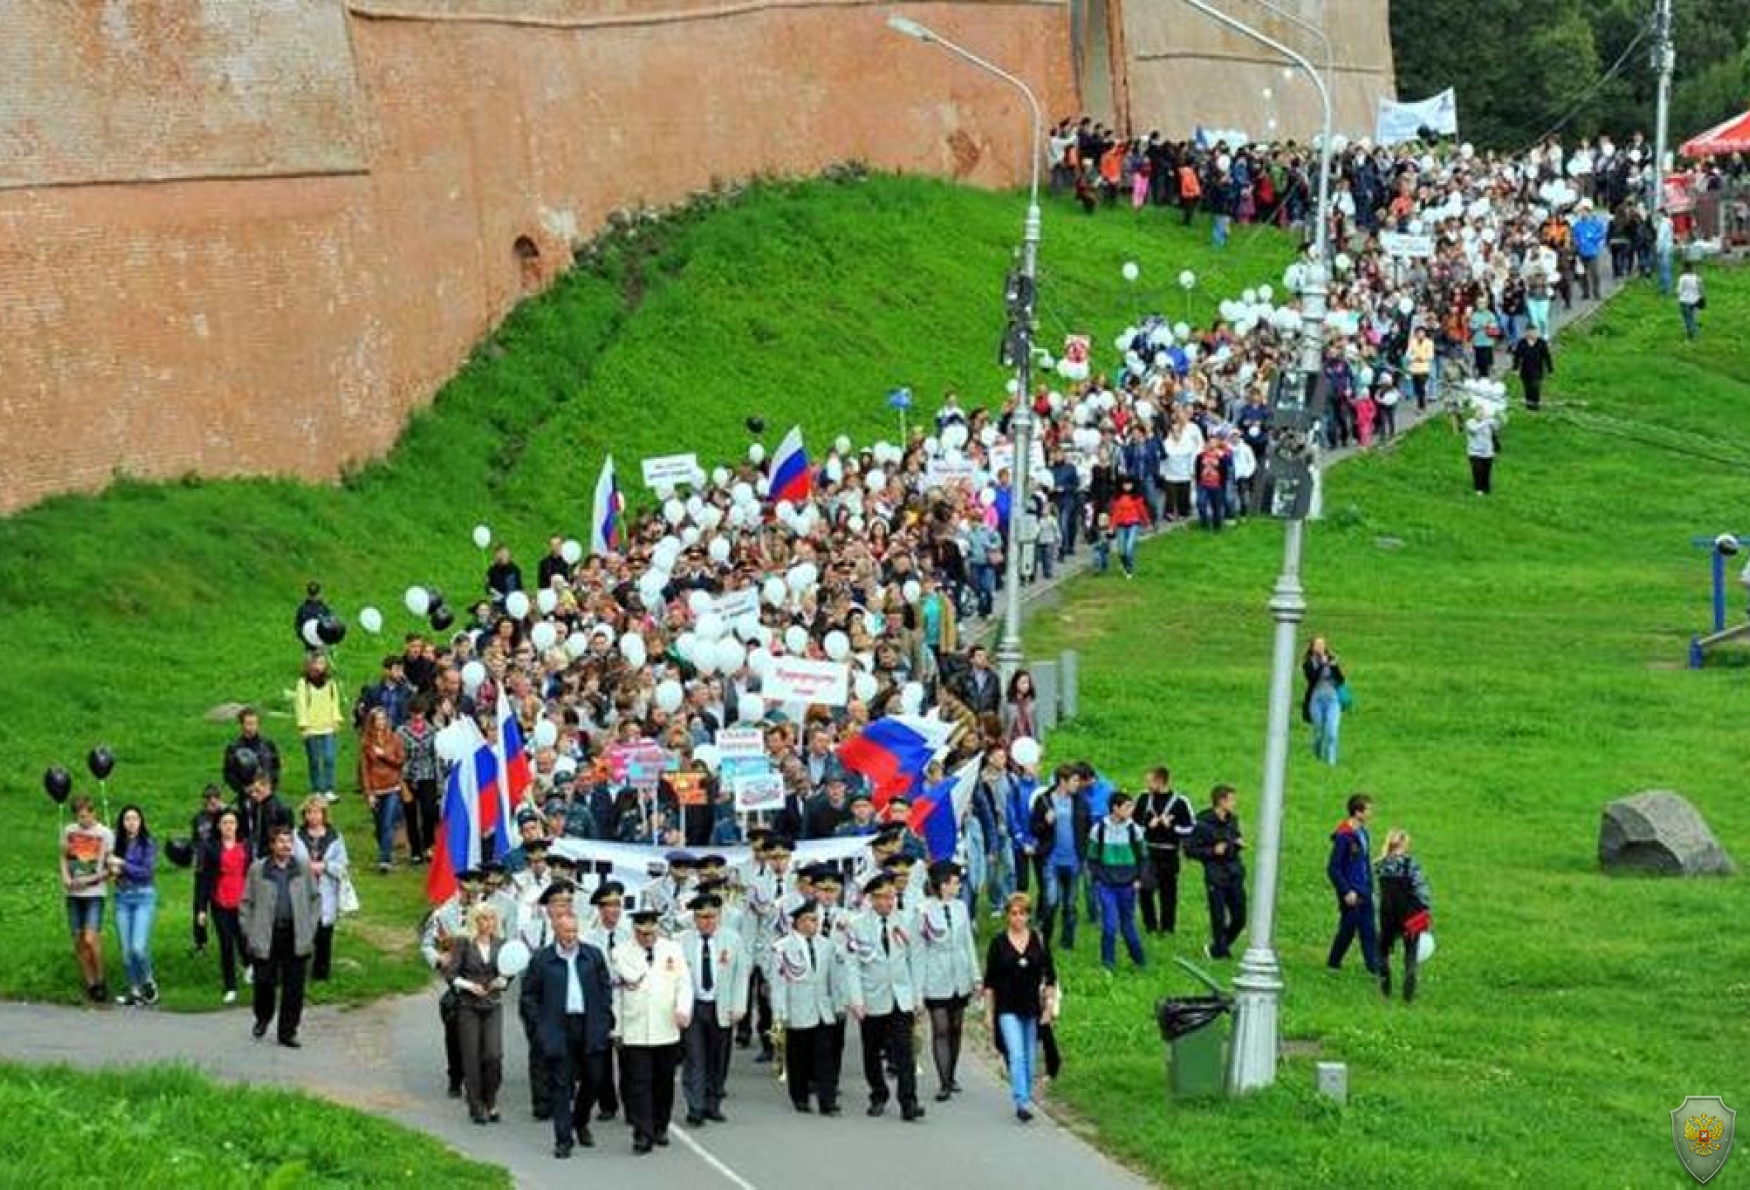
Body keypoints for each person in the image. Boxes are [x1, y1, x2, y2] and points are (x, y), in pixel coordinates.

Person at [520, 907, 614, 1159]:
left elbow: (605, 989)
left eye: (574, 931)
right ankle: (563, 1139)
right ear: (556, 931)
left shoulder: (592, 956)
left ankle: (580, 1121)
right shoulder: (542, 959)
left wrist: (604, 1020)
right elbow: (528, 996)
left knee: (594, 1079)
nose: (570, 935)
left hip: (590, 1025)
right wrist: (540, 1027)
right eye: (566, 931)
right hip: (558, 1027)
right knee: (561, 1084)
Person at [845, 872, 925, 1122]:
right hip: (871, 997)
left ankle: (908, 1102)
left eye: (890, 896)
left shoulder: (906, 920)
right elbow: (852, 965)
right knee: (872, 1050)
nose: (886, 903)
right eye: (880, 897)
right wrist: (856, 999)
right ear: (870, 899)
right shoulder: (857, 925)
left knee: (904, 1051)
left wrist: (917, 995)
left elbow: (916, 959)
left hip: (900, 996)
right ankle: (878, 1094)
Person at [612, 908, 693, 1154]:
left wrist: (682, 1010)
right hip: (635, 1028)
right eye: (642, 933)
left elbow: (684, 984)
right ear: (634, 931)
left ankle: (660, 1125)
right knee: (639, 1083)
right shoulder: (620, 952)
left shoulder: (673, 950)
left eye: (651, 932)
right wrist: (616, 1028)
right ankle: (642, 1132)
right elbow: (616, 993)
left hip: (666, 1027)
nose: (647, 937)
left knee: (663, 1083)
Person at [240, 824, 321, 1047]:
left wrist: (309, 927)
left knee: (294, 987)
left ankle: (288, 1032)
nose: (286, 846)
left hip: (296, 935)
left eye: (289, 842)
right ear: (272, 845)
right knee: (264, 983)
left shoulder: (302, 868)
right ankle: (263, 1016)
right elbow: (246, 903)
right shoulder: (258, 869)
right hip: (266, 935)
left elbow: (315, 899)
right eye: (281, 842)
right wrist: (249, 931)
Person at [982, 892, 1057, 1122]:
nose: (1018, 918)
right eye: (1013, 914)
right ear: (1007, 916)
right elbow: (990, 982)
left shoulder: (1038, 940)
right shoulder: (998, 943)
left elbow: (1050, 977)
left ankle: (1027, 1092)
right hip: (1007, 1006)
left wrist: (1049, 1007)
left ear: (1028, 916)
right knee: (1015, 1054)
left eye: (1022, 914)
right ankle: (1022, 1101)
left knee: (1030, 1055)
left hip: (1032, 1006)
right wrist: (988, 1012)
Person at [675, 892, 748, 1127]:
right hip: (694, 1006)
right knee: (695, 1058)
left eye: (712, 916)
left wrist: (739, 1005)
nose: (708, 922)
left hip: (721, 1005)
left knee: (718, 1057)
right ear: (694, 918)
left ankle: (713, 1102)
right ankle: (695, 1106)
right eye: (702, 917)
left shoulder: (732, 940)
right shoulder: (681, 941)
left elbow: (741, 975)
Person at [771, 899, 844, 1115]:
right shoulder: (783, 948)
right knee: (799, 1056)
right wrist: (780, 1014)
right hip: (798, 1009)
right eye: (809, 920)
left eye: (816, 920)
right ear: (798, 923)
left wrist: (838, 1004)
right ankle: (800, 1096)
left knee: (825, 1056)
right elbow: (779, 984)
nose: (814, 924)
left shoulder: (827, 945)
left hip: (823, 1009)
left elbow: (834, 978)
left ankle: (827, 1100)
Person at [918, 860, 978, 1101]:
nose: (958, 886)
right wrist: (919, 987)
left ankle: (952, 1074)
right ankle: (943, 1081)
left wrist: (975, 975)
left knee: (956, 1027)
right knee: (940, 1028)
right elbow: (920, 950)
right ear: (943, 885)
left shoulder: (961, 908)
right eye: (954, 882)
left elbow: (968, 943)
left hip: (959, 973)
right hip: (936, 975)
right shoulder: (923, 911)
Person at [444, 901, 509, 1124]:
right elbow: (451, 974)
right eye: (483, 919)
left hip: (492, 1004)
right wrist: (470, 986)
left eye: (491, 918)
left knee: (493, 1055)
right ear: (475, 921)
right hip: (468, 1006)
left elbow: (508, 972)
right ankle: (476, 1104)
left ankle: (490, 1098)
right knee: (471, 1056)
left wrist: (502, 981)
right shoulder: (464, 943)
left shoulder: (501, 944)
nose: (487, 923)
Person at [1029, 764, 1091, 951]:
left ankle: (1067, 942)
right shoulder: (1044, 801)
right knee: (1051, 901)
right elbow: (1034, 829)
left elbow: (1086, 827)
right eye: (1074, 780)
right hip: (1051, 860)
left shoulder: (1080, 802)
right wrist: (1046, 823)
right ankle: (1045, 939)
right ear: (1062, 781)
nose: (1077, 784)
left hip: (1073, 861)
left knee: (1070, 905)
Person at [1086, 791, 1147, 972]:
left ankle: (1140, 961)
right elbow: (1092, 857)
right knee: (1110, 924)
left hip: (1128, 885)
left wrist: (1139, 878)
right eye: (1127, 806)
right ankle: (1108, 964)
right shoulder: (1100, 829)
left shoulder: (1134, 829)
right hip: (1107, 885)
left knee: (1128, 924)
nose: (1131, 810)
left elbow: (1143, 857)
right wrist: (1098, 878)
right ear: (1115, 808)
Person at [61, 793, 113, 1004]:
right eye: (79, 817)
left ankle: (101, 979)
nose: (83, 821)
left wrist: (93, 878)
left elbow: (111, 868)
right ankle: (91, 983)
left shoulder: (105, 833)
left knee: (91, 938)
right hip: (73, 894)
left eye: (86, 816)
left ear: (94, 813)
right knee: (79, 941)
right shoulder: (69, 831)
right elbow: (63, 856)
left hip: (94, 893)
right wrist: (65, 875)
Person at [196, 806, 250, 1003]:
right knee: (226, 943)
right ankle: (230, 986)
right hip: (220, 900)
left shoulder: (246, 846)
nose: (229, 826)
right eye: (225, 823)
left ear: (237, 825)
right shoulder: (211, 849)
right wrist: (201, 908)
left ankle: (249, 964)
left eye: (232, 823)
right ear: (219, 826)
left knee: (244, 938)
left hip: (243, 900)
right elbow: (204, 879)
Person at [293, 795, 350, 982]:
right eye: (309, 812)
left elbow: (342, 865)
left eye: (317, 812)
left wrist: (325, 866)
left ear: (324, 814)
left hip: (326, 892)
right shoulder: (296, 835)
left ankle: (321, 974)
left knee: (324, 934)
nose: (313, 816)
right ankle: (299, 972)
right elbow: (290, 860)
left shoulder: (335, 837)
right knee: (303, 933)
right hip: (303, 891)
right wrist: (306, 866)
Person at [1187, 784, 1246, 961]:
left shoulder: (1232, 820)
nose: (1234, 803)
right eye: (1231, 799)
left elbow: (1233, 838)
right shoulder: (1202, 823)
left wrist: (1237, 844)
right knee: (1218, 916)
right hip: (1215, 874)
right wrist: (1212, 851)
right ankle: (1220, 951)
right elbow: (1190, 850)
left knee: (1240, 917)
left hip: (1234, 872)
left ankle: (1219, 947)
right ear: (1221, 801)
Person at [109, 804, 159, 1007]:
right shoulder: (117, 843)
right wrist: (112, 867)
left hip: (143, 897)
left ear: (141, 821)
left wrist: (122, 864)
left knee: (138, 947)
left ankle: (148, 982)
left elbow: (146, 873)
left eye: (135, 819)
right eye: (127, 819)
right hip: (122, 898)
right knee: (127, 950)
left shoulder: (147, 843)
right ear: (122, 822)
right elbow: (113, 871)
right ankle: (134, 990)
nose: (131, 822)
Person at [1376, 828, 1433, 1003]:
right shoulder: (1410, 864)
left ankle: (1385, 989)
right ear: (1403, 844)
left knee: (1383, 951)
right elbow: (1421, 888)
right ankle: (1408, 996)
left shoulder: (1380, 864)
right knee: (1411, 953)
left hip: (1388, 913)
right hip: (1409, 914)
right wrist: (1425, 907)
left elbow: (1375, 892)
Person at [1135, 766, 1193, 935]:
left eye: (1150, 781)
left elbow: (1190, 828)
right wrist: (1148, 825)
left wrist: (1172, 827)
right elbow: (1134, 824)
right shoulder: (1143, 799)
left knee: (1168, 891)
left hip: (1169, 852)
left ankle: (1168, 927)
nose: (1147, 785)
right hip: (1149, 851)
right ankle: (1150, 925)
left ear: (1160, 781)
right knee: (1145, 889)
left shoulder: (1180, 802)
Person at [1326, 794, 1379, 975]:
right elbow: (1333, 868)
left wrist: (1370, 887)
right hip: (1351, 892)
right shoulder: (1344, 837)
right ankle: (1334, 962)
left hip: (1364, 890)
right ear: (1358, 812)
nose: (1371, 813)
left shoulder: (1363, 833)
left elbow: (1364, 862)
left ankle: (1375, 967)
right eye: (1368, 809)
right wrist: (1346, 891)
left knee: (1369, 930)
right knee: (1348, 929)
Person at [358, 706, 406, 873]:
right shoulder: (366, 743)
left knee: (387, 823)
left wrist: (383, 755)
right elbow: (364, 770)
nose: (381, 723)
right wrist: (368, 792)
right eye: (378, 719)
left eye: (383, 719)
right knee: (379, 826)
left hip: (392, 786)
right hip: (375, 787)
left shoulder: (395, 739)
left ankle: (384, 860)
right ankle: (384, 850)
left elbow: (400, 762)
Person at [294, 653, 344, 803]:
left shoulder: (330, 682)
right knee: (315, 760)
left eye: (323, 662)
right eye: (318, 662)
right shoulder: (303, 683)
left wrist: (336, 720)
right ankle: (317, 790)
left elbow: (334, 701)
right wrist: (303, 725)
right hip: (312, 728)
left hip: (327, 726)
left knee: (329, 758)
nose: (321, 666)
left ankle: (329, 789)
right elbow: (300, 704)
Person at [398, 698, 441, 865]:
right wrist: (401, 780)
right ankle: (415, 850)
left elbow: (436, 757)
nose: (417, 717)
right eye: (414, 713)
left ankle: (429, 844)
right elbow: (399, 757)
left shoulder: (433, 731)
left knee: (429, 811)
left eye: (420, 713)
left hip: (427, 774)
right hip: (408, 775)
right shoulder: (401, 732)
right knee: (410, 814)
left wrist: (439, 782)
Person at [188, 783, 227, 953]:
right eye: (208, 798)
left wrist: (224, 810)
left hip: (220, 868)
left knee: (222, 905)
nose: (211, 801)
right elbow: (195, 840)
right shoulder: (198, 819)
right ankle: (200, 942)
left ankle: (228, 938)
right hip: (203, 867)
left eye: (215, 798)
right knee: (199, 905)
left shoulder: (225, 816)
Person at [1301, 636, 1345, 766]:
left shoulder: (1331, 659)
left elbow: (1341, 680)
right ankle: (1318, 758)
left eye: (1323, 645)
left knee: (1332, 732)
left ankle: (1332, 763)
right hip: (1316, 700)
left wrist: (1335, 667)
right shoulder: (1308, 663)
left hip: (1332, 699)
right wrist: (1323, 664)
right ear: (1312, 647)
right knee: (1319, 733)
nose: (1320, 647)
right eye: (1318, 645)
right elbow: (1312, 678)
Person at [222, 707, 282, 800]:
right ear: (242, 725)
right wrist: (243, 789)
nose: (252, 727)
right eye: (249, 724)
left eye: (255, 723)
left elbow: (276, 767)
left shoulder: (268, 744)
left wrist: (270, 787)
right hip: (246, 794)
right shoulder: (234, 748)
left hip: (267, 793)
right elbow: (229, 774)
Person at [1511, 325, 1554, 411]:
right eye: (1530, 332)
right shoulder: (1522, 343)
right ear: (1526, 333)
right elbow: (1517, 356)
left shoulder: (1541, 343)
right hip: (1525, 371)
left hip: (1537, 370)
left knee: (1535, 388)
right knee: (1527, 389)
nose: (1533, 334)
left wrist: (1550, 370)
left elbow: (1547, 357)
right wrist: (1515, 368)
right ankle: (1529, 407)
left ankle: (1536, 407)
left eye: (1534, 332)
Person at [1463, 401, 1500, 496]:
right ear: (1474, 413)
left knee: (1486, 472)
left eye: (1482, 413)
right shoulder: (1470, 422)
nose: (1480, 414)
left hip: (1488, 452)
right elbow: (1474, 430)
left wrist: (1494, 422)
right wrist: (1486, 422)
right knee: (1477, 470)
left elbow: (1496, 430)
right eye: (1478, 412)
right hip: (1474, 452)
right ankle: (1478, 489)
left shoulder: (1488, 423)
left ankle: (1486, 489)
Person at [1677, 260, 1705, 340]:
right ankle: (1695, 332)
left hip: (1684, 301)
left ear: (1684, 268)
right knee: (1692, 317)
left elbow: (1679, 291)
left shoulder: (1682, 278)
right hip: (1695, 301)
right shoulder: (1697, 277)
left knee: (1687, 320)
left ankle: (1691, 336)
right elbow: (1701, 289)